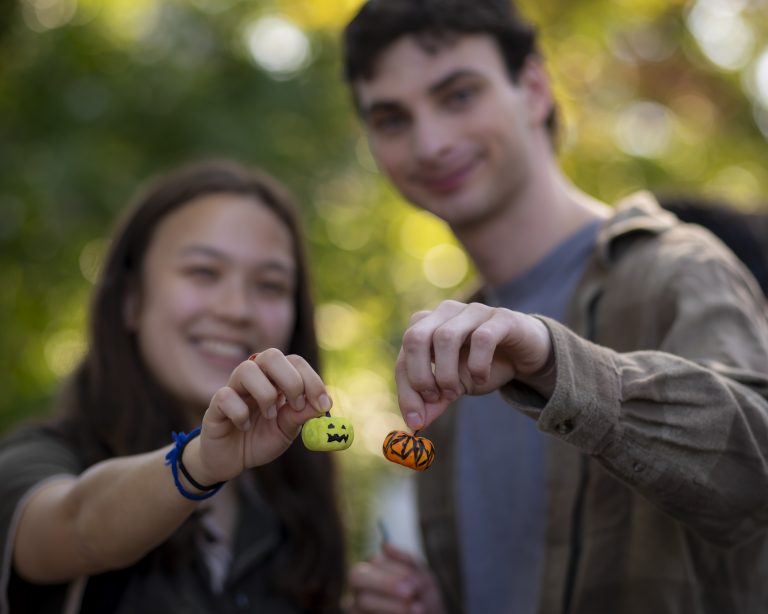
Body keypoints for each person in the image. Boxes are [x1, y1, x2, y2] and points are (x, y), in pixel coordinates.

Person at [341, 1, 768, 613]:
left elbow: (755, 470)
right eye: (391, 119)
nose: (431, 142)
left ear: (534, 88)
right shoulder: (446, 346)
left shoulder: (677, 268)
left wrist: (553, 361)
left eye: (458, 95)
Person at [0, 160, 346, 613]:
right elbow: (79, 525)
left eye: (270, 285)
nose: (237, 308)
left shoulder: (294, 506)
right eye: (203, 272)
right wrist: (196, 461)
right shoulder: (37, 461)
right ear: (130, 300)